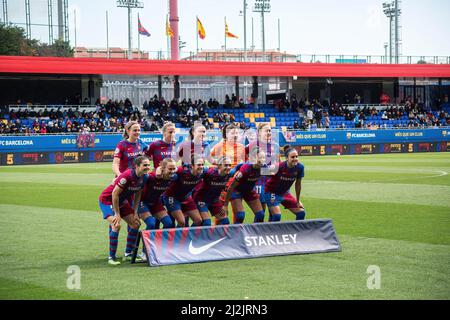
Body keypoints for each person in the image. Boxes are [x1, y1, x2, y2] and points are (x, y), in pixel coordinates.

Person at [98, 156, 151, 265]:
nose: (148, 167)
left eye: (149, 165)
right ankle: (111, 258)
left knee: (136, 224)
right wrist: (117, 214)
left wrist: (135, 212)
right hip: (107, 200)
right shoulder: (127, 176)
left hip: (121, 201)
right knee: (116, 224)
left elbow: (138, 194)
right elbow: (114, 194)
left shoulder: (145, 177)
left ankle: (128, 254)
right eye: (145, 165)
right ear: (137, 166)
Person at [220, 149, 266, 224]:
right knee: (240, 215)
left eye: (264, 158)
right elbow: (231, 187)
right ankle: (236, 234)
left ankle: (255, 233)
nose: (263, 160)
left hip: (249, 190)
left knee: (260, 215)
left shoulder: (264, 167)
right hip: (236, 190)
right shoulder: (246, 169)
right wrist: (225, 205)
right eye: (260, 158)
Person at [161, 155, 207, 227]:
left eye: (202, 164)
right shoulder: (182, 171)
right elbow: (168, 170)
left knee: (198, 221)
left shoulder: (204, 172)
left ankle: (189, 237)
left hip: (186, 197)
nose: (201, 166)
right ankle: (176, 237)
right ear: (192, 165)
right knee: (182, 222)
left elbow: (215, 170)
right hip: (172, 197)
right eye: (198, 165)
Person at [264, 146, 306, 222]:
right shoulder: (278, 167)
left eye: (297, 156)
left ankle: (297, 233)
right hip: (272, 193)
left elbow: (298, 184)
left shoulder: (300, 167)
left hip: (285, 193)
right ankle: (271, 233)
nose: (295, 159)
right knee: (276, 216)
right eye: (292, 157)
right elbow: (263, 173)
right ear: (287, 158)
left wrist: (297, 201)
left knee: (301, 213)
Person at [138, 158, 178, 230]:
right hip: (142, 202)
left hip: (155, 202)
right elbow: (137, 178)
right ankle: (145, 239)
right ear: (163, 168)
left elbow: (180, 169)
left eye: (173, 169)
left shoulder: (174, 177)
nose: (172, 171)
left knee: (168, 223)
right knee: (151, 224)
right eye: (170, 169)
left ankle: (160, 241)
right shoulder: (151, 177)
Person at [192, 156, 232, 225]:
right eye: (226, 165)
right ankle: (189, 234)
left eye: (229, 165)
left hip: (214, 201)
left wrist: (225, 205)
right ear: (219, 166)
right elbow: (195, 173)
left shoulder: (230, 174)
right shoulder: (209, 172)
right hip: (201, 200)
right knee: (206, 222)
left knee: (225, 221)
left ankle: (219, 236)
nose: (228, 167)